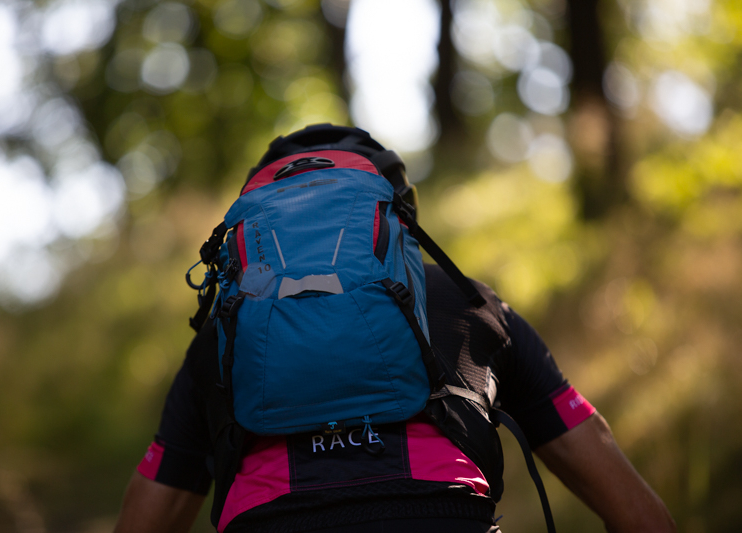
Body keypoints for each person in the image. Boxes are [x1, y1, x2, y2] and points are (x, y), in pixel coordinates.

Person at [114, 125, 676, 533]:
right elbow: (625, 498)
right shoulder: (473, 304)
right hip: (443, 515)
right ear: (398, 216)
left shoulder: (223, 336)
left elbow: (152, 511)